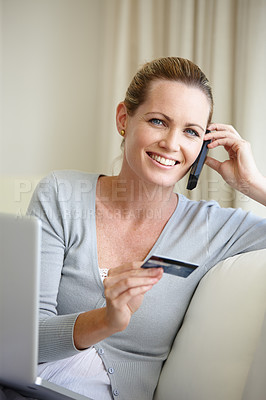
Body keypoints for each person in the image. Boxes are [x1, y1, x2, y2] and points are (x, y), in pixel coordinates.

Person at [3, 57, 266, 400]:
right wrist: (105, 320)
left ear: (203, 146)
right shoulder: (61, 193)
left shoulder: (213, 227)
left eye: (191, 132)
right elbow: (23, 339)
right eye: (158, 121)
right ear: (124, 119)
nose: (172, 144)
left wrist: (253, 184)